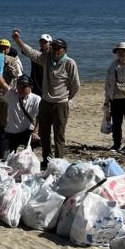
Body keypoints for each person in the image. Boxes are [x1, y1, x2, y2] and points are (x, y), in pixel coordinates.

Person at [11, 30, 80, 168]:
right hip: (45, 102)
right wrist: (18, 40)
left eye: (58, 48)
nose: (55, 50)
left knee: (59, 135)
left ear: (64, 50)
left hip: (61, 104)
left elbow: (75, 85)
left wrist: (66, 98)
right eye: (53, 47)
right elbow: (31, 52)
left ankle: (59, 162)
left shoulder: (70, 63)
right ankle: (47, 160)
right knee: (44, 133)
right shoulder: (46, 58)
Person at [0, 70, 41, 159]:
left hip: (27, 131)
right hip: (11, 132)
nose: (20, 89)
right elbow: (3, 84)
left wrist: (36, 132)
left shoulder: (36, 99)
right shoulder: (12, 94)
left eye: (24, 86)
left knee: (33, 144)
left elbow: (40, 117)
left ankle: (30, 149)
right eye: (19, 86)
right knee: (3, 156)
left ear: (30, 87)